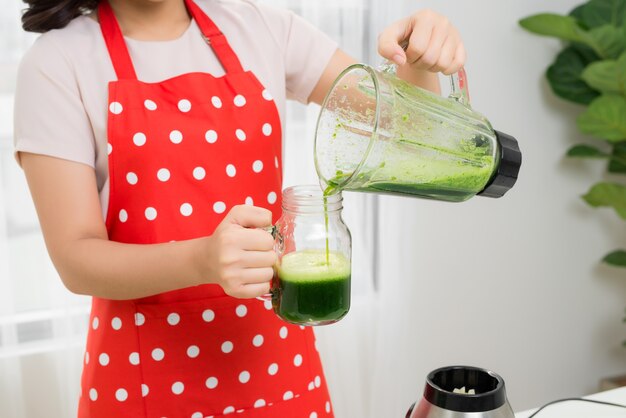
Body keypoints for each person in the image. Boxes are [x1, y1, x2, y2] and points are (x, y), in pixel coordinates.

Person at [14, 0, 465, 416]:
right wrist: (200, 260)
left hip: (279, 373)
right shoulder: (57, 63)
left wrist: (421, 60)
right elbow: (75, 258)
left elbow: (405, 128)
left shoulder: (262, 28)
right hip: (144, 384)